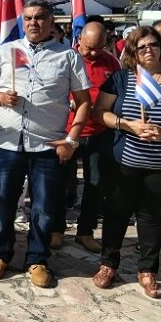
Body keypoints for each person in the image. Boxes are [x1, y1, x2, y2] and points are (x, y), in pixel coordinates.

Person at [0, 0, 91, 288]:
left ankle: (37, 260)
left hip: (47, 145)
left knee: (43, 207)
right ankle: (0, 254)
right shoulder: (7, 52)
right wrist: (0, 97)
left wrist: (72, 140)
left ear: (51, 21)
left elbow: (83, 103)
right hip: (7, 142)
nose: (33, 23)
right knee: (4, 203)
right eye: (28, 17)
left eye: (40, 17)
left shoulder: (68, 57)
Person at [92, 26, 161, 298]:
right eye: (142, 46)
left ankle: (148, 271)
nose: (149, 50)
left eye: (154, 45)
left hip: (159, 164)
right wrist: (127, 125)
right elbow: (101, 113)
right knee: (116, 215)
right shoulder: (121, 79)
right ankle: (108, 264)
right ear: (132, 51)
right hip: (123, 161)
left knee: (151, 218)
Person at [52, 22, 120, 252]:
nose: (92, 53)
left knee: (95, 183)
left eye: (98, 48)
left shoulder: (111, 62)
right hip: (68, 130)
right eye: (88, 47)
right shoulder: (65, 57)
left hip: (98, 133)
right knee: (60, 182)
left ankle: (85, 231)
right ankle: (56, 229)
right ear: (79, 39)